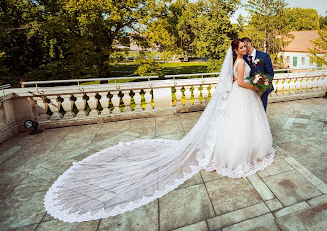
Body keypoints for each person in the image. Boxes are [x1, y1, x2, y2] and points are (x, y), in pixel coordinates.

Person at [44, 38, 275, 223]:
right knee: (241, 125)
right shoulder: (242, 62)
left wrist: (253, 83)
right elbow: (241, 82)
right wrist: (256, 86)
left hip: (239, 97)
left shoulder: (239, 62)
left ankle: (235, 151)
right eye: (241, 46)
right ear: (235, 50)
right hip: (243, 94)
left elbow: (234, 80)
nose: (245, 48)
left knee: (236, 126)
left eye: (246, 46)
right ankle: (240, 155)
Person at [241, 37, 275, 110]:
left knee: (261, 110)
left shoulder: (264, 56)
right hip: (249, 89)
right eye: (242, 47)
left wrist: (263, 88)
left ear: (249, 44)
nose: (243, 48)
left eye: (244, 46)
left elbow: (270, 73)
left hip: (263, 89)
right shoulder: (243, 57)